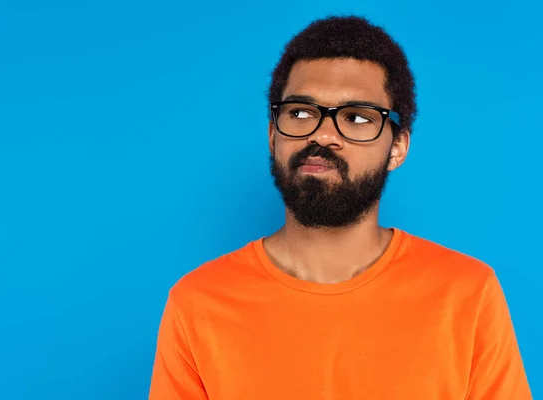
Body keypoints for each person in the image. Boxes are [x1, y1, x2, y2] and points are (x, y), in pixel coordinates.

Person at [148, 16, 531, 399]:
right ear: (272, 134)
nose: (324, 135)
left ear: (397, 147)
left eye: (358, 118)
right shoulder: (197, 302)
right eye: (299, 112)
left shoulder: (468, 293)